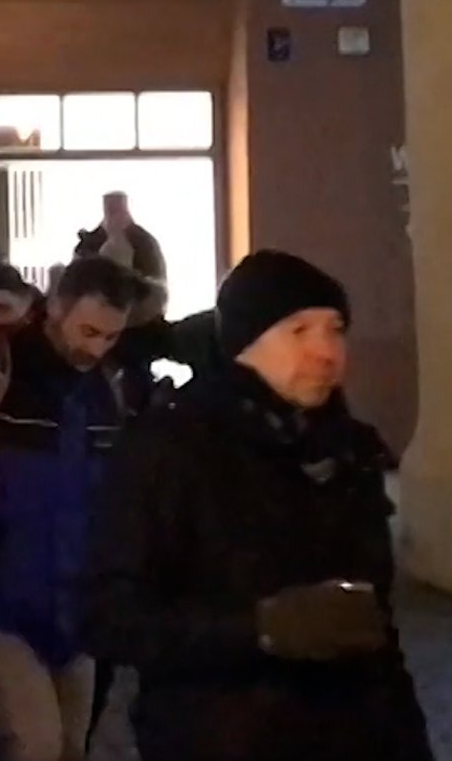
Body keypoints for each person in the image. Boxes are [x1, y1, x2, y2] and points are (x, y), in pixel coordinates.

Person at [83, 251, 432, 761]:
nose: (326, 350)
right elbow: (109, 616)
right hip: (221, 738)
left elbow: (375, 630)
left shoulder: (347, 451)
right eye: (299, 331)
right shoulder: (171, 449)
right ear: (246, 345)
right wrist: (260, 628)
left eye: (335, 329)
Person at [0, 256, 142, 761]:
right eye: (89, 331)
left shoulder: (109, 391)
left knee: (69, 746)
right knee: (34, 741)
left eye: (111, 337)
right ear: (55, 309)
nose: (96, 348)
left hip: (73, 602)